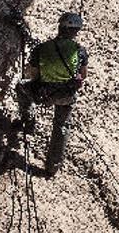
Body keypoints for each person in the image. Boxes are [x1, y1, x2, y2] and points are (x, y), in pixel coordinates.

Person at [16, 12, 89, 176]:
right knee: (61, 126)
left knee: (21, 88)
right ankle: (52, 167)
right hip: (66, 96)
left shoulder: (42, 48)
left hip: (43, 93)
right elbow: (83, 75)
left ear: (59, 27)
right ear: (76, 31)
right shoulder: (80, 51)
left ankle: (28, 122)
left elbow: (32, 74)